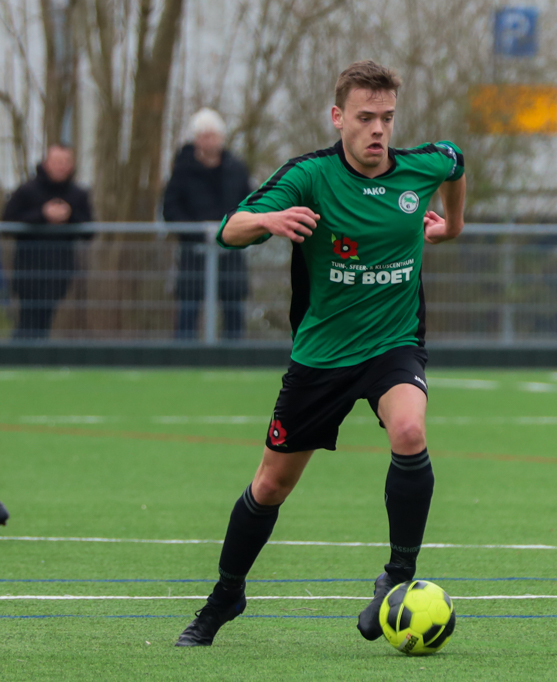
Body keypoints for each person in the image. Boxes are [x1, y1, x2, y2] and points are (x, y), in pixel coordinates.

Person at [175, 60, 466, 647]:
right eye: (365, 117)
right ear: (338, 117)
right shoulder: (309, 176)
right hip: (322, 356)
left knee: (410, 431)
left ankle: (397, 576)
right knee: (270, 486)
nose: (377, 129)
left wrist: (452, 226)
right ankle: (226, 595)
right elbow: (228, 230)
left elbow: (456, 161)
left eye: (386, 117)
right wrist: (269, 219)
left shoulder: (421, 168)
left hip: (392, 345)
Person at [163, 109, 253, 340]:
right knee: (188, 309)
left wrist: (233, 230)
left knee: (233, 311)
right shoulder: (181, 171)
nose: (209, 141)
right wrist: (197, 232)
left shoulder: (237, 168)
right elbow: (170, 209)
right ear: (195, 139)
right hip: (193, 254)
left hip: (231, 252)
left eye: (213, 135)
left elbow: (251, 203)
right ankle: (183, 356)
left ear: (221, 137)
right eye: (203, 136)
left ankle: (234, 356)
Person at [2, 145, 93, 339]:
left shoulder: (78, 194)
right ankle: (21, 353)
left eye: (65, 162)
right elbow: (8, 223)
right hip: (27, 270)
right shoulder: (26, 191)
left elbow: (89, 230)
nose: (61, 166)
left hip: (59, 271)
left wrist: (69, 216)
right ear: (46, 163)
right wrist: (42, 215)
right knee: (28, 322)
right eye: (57, 161)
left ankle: (31, 353)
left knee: (44, 321)